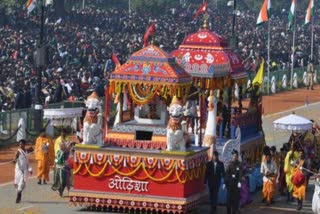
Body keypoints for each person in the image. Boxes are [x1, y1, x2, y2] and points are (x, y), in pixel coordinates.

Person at [225, 149, 242, 214]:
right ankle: (228, 212)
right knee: (228, 199)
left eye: (236, 156)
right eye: (234, 156)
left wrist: (239, 182)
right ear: (232, 156)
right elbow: (227, 173)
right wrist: (225, 182)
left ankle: (234, 211)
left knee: (236, 199)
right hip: (230, 184)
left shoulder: (239, 164)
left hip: (236, 185)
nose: (235, 157)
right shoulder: (229, 164)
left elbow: (240, 173)